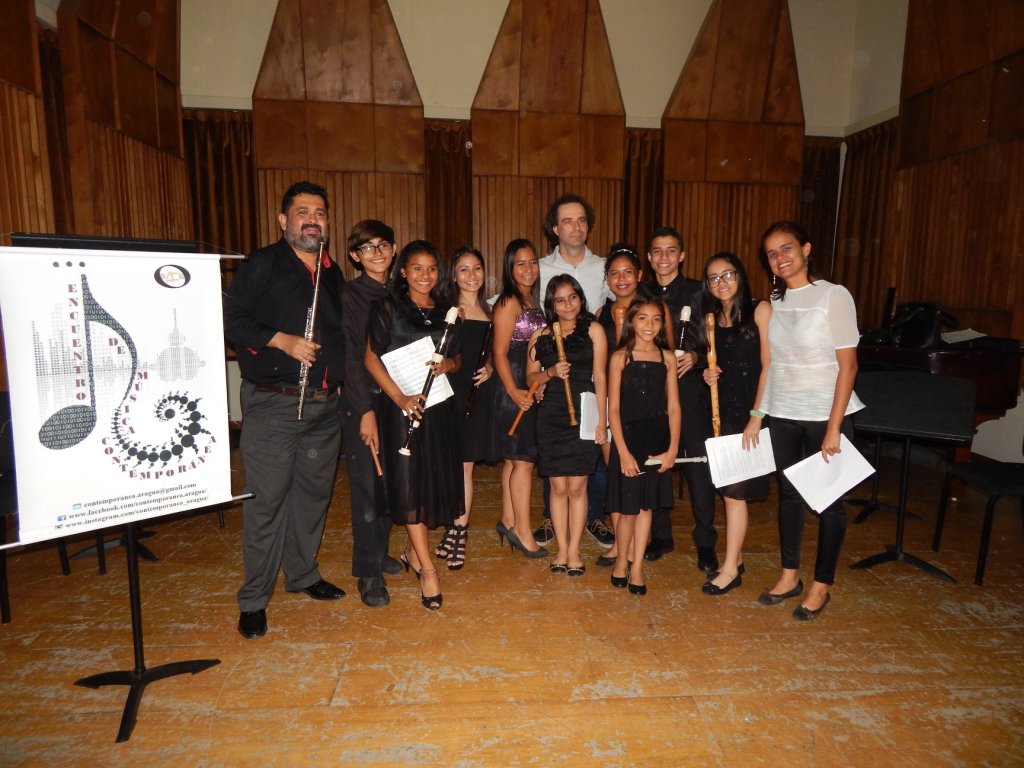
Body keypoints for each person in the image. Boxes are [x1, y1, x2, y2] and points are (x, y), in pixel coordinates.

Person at [224, 180, 347, 640]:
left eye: (320, 213)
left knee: (312, 497)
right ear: (283, 220)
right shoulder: (263, 264)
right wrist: (281, 340)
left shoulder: (332, 272)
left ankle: (302, 574)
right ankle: (254, 599)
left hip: (324, 406)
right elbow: (230, 319)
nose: (312, 220)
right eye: (302, 212)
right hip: (275, 404)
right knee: (267, 502)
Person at [754, 221, 864, 620]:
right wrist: (759, 414)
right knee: (789, 496)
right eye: (772, 254)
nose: (780, 258)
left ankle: (822, 585)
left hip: (824, 415)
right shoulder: (774, 302)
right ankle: (789, 576)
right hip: (784, 412)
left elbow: (848, 366)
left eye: (786, 248)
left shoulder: (834, 295)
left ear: (806, 249)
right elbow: (771, 364)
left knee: (830, 503)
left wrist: (834, 427)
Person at [364, 241, 464, 610]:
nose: (425, 275)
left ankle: (412, 550)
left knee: (428, 483)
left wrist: (448, 365)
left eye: (432, 268)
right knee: (408, 485)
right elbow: (370, 358)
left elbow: (458, 358)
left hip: (438, 409)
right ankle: (428, 571)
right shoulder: (387, 307)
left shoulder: (448, 312)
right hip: (402, 409)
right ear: (403, 272)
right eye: (417, 268)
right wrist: (400, 399)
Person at [535, 194, 614, 548]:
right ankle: (553, 521)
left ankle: (593, 517)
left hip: (590, 364)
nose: (576, 227)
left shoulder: (604, 267)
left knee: (586, 468)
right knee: (556, 475)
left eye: (582, 219)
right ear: (555, 228)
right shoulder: (540, 268)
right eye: (567, 220)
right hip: (554, 367)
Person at [642, 227, 718, 572]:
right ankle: (661, 535)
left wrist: (697, 357)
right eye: (657, 251)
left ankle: (705, 541)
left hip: (690, 390)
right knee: (657, 463)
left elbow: (716, 339)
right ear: (649, 257)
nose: (664, 257)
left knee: (698, 466)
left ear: (682, 255)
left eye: (671, 251)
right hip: (652, 391)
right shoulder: (642, 292)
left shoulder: (700, 292)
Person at [698, 253, 771, 596]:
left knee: (734, 493)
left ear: (740, 275)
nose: (721, 282)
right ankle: (735, 559)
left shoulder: (760, 310)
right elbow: (714, 365)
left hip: (752, 411)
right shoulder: (711, 319)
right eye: (713, 278)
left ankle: (730, 569)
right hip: (723, 411)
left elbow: (770, 366)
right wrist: (708, 374)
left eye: (727, 275)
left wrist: (757, 416)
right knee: (728, 490)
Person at [339, 219, 403, 608]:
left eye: (383, 245)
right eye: (367, 247)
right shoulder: (351, 295)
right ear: (355, 256)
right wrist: (364, 410)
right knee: (367, 486)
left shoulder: (399, 293)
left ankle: (378, 552)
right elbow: (351, 357)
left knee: (390, 482)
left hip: (396, 400)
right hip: (364, 400)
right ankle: (368, 572)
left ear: (394, 250)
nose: (377, 252)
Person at [526, 275, 607, 575]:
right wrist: (549, 373)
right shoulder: (540, 335)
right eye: (560, 300)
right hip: (551, 416)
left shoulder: (594, 330)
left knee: (578, 486)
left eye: (572, 297)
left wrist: (602, 421)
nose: (568, 304)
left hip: (584, 413)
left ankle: (575, 551)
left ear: (580, 298)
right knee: (558, 488)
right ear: (551, 304)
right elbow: (530, 378)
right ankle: (561, 549)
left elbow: (601, 377)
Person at [606, 295, 680, 595]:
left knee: (647, 507)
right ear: (631, 322)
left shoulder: (667, 358)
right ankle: (621, 560)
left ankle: (637, 567)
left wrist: (672, 449)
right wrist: (622, 452)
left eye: (656, 319)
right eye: (643, 318)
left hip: (656, 439)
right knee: (628, 510)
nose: (650, 325)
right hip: (628, 440)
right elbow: (613, 409)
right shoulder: (620, 357)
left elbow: (673, 407)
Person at [436, 246, 497, 571]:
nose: (472, 275)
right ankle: (451, 526)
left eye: (477, 268)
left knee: (465, 467)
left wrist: (490, 368)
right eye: (464, 269)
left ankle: (459, 531)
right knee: (447, 467)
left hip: (476, 396)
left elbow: (498, 352)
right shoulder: (446, 309)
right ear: (454, 275)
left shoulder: (491, 311)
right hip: (449, 394)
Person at [489, 238, 548, 558]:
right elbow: (498, 352)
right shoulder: (508, 301)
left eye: (533, 262)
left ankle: (508, 520)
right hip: (511, 385)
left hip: (527, 381)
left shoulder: (532, 299)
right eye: (520, 263)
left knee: (515, 460)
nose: (528, 269)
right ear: (510, 268)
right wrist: (514, 391)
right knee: (524, 460)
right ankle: (523, 532)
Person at [593, 245, 643, 568]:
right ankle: (619, 543)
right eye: (614, 273)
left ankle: (637, 541)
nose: (621, 279)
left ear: (639, 275)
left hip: (642, 403)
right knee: (615, 473)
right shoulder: (601, 313)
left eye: (627, 272)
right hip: (611, 401)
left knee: (637, 474)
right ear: (606, 278)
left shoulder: (651, 310)